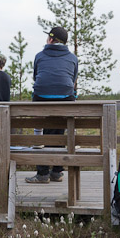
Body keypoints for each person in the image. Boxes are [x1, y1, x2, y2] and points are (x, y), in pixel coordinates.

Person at [25, 26, 78, 184]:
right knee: (59, 130)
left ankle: (42, 173)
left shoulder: (39, 56)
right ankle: (57, 171)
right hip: (66, 98)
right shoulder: (73, 58)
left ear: (50, 39)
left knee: (43, 132)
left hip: (41, 98)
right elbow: (73, 80)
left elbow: (36, 76)